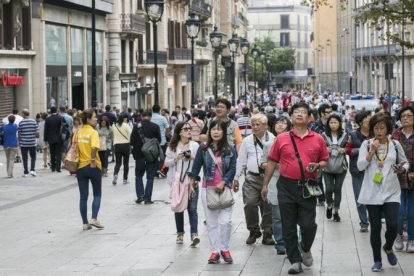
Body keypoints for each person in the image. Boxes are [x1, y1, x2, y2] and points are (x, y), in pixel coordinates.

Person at [262, 102, 329, 274]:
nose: (299, 114)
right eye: (296, 112)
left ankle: (305, 247)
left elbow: (324, 160)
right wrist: (265, 184)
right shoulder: (282, 139)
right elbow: (272, 161)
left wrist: (317, 165)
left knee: (308, 225)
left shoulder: (318, 139)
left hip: (308, 188)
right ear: (291, 117)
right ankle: (294, 260)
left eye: (303, 112)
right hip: (286, 186)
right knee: (288, 225)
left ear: (309, 118)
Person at [357, 113, 408, 272]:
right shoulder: (366, 144)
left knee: (393, 225)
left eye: (382, 128)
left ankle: (388, 246)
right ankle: (377, 260)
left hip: (391, 190)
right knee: (376, 227)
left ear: (388, 129)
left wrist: (402, 169)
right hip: (372, 192)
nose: (378, 131)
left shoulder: (395, 145)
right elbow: (360, 166)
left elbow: (405, 162)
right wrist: (371, 151)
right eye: (376, 128)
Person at [188, 119, 237, 264]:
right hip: (207, 189)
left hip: (225, 189)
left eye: (219, 129)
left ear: (224, 132)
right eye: (213, 129)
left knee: (226, 222)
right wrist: (191, 183)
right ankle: (215, 252)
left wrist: (224, 182)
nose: (216, 132)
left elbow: (233, 168)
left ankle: (225, 249)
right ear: (209, 131)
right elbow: (196, 167)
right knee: (212, 223)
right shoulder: (203, 148)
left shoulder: (230, 148)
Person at [234, 114, 275, 245]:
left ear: (265, 126)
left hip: (269, 177)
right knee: (250, 203)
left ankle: (268, 232)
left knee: (269, 205)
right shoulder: (247, 141)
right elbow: (241, 160)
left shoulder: (273, 139)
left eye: (258, 125)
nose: (255, 127)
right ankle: (254, 230)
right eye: (253, 125)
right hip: (252, 177)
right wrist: (236, 178)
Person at [260, 116, 292, 255]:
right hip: (274, 180)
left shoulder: (293, 142)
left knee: (290, 216)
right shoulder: (268, 144)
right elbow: (262, 163)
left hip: (290, 181)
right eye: (278, 122)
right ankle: (280, 242)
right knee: (277, 215)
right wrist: (272, 165)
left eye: (284, 122)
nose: (280, 124)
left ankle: (291, 240)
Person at [165, 121, 200, 245]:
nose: (189, 131)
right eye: (186, 129)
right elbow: (166, 163)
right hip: (177, 181)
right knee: (178, 207)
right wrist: (176, 158)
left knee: (192, 208)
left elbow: (200, 161)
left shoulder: (195, 145)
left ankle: (194, 234)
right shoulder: (172, 146)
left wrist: (192, 158)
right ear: (179, 132)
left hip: (191, 180)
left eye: (190, 128)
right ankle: (180, 233)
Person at [75, 109, 104, 230]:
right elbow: (94, 147)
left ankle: (85, 223)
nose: (96, 119)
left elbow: (74, 147)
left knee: (83, 196)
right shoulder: (93, 133)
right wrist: (92, 160)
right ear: (88, 119)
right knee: (97, 193)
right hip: (93, 166)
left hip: (80, 167)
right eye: (94, 117)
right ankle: (94, 218)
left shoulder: (78, 132)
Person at [391, 106, 414, 252]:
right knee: (399, 210)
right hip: (397, 175)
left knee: (412, 211)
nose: (405, 118)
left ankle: (411, 239)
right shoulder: (394, 136)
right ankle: (398, 235)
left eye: (409, 115)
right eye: (403, 116)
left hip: (413, 175)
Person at [345, 111, 372, 232]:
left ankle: (374, 218)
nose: (370, 122)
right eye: (367, 120)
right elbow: (347, 150)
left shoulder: (374, 134)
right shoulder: (353, 134)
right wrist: (363, 150)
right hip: (357, 170)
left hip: (372, 170)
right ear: (361, 122)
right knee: (359, 198)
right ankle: (364, 222)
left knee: (372, 197)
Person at [321, 114, 348, 222]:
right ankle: (329, 205)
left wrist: (344, 150)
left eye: (335, 122)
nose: (333, 125)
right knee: (328, 189)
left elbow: (347, 146)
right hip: (327, 166)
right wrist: (326, 150)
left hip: (341, 166)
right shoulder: (323, 135)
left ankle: (336, 211)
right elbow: (321, 148)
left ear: (339, 123)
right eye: (331, 123)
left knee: (337, 189)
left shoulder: (345, 135)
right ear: (328, 124)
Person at [130, 111, 161, 204]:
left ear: (142, 117)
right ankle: (147, 198)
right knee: (150, 177)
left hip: (139, 155)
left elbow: (131, 141)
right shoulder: (155, 126)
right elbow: (159, 140)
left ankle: (140, 196)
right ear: (150, 117)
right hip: (151, 155)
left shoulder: (137, 126)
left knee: (139, 175)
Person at [309, 103, 332, 206]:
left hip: (331, 157)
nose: (330, 114)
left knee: (329, 181)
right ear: (322, 114)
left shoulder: (332, 124)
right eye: (328, 112)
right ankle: (320, 198)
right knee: (317, 178)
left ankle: (328, 199)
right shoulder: (314, 126)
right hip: (318, 156)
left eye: (330, 112)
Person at [151, 104, 170, 178]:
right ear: (159, 110)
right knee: (164, 156)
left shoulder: (150, 118)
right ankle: (162, 170)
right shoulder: (162, 118)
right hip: (162, 140)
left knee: (154, 157)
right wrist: (165, 134)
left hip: (152, 142)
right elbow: (168, 128)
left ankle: (155, 172)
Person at [112, 113, 132, 185]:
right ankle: (125, 179)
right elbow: (131, 133)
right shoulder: (126, 125)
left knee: (118, 162)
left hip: (117, 145)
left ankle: (115, 174)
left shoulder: (114, 126)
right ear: (124, 119)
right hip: (126, 145)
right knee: (126, 163)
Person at [18, 109, 39, 177]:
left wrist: (19, 140)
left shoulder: (21, 122)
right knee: (33, 157)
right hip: (32, 142)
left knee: (25, 157)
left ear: (24, 114)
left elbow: (19, 133)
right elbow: (37, 132)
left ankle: (26, 172)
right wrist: (34, 136)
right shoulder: (33, 121)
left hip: (24, 143)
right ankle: (32, 169)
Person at [44, 107, 64, 172]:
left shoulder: (48, 119)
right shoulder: (60, 118)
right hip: (59, 138)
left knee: (52, 153)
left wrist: (45, 139)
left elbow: (46, 130)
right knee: (58, 153)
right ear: (56, 111)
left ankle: (53, 167)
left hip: (51, 138)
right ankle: (58, 167)